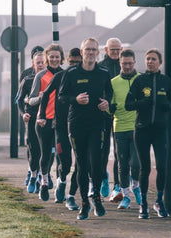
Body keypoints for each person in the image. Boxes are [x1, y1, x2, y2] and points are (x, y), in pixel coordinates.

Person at [58, 37, 112, 220]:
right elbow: (62, 96)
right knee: (81, 164)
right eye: (87, 49)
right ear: (81, 52)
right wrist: (76, 99)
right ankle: (84, 204)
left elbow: (110, 95)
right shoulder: (71, 73)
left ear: (98, 53)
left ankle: (96, 197)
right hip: (77, 123)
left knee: (96, 162)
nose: (90, 52)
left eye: (93, 50)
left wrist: (107, 103)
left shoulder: (104, 73)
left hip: (97, 123)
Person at [125, 48, 171, 219]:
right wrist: (142, 103)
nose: (150, 62)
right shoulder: (139, 81)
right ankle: (143, 204)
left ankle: (159, 201)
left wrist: (167, 105)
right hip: (142, 130)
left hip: (160, 130)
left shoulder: (166, 81)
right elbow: (128, 104)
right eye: (147, 59)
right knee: (144, 168)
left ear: (159, 62)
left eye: (153, 59)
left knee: (161, 166)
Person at [39, 48, 82, 210]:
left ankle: (71, 196)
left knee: (80, 163)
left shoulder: (84, 77)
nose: (74, 65)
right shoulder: (60, 76)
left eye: (78, 62)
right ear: (67, 62)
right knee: (65, 161)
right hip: (61, 126)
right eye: (72, 62)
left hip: (80, 126)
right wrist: (42, 115)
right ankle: (61, 182)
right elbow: (45, 95)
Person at [29, 44, 64, 202]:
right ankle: (43, 183)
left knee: (62, 156)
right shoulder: (41, 75)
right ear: (47, 58)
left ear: (61, 58)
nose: (55, 59)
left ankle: (59, 186)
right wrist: (42, 97)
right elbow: (31, 99)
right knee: (45, 154)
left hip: (61, 122)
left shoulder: (66, 74)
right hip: (44, 121)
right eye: (52, 57)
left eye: (57, 57)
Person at [110, 49, 141, 209]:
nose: (127, 66)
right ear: (120, 64)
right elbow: (109, 106)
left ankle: (135, 185)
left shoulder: (141, 79)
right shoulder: (114, 82)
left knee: (136, 163)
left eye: (130, 63)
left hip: (137, 128)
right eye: (124, 64)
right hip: (120, 128)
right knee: (122, 164)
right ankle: (126, 196)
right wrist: (110, 107)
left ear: (134, 63)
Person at [97, 37, 123, 199]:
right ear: (106, 50)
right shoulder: (100, 68)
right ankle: (103, 177)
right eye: (112, 49)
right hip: (103, 116)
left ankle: (118, 186)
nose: (115, 52)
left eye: (117, 50)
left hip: (120, 116)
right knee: (103, 152)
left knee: (120, 153)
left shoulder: (125, 66)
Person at [17, 51, 46, 194]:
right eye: (38, 62)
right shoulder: (27, 80)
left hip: (47, 118)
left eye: (43, 62)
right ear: (33, 64)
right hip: (33, 117)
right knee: (34, 150)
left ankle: (42, 175)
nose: (41, 65)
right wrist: (24, 114)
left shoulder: (51, 79)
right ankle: (34, 174)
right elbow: (19, 100)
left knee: (46, 151)